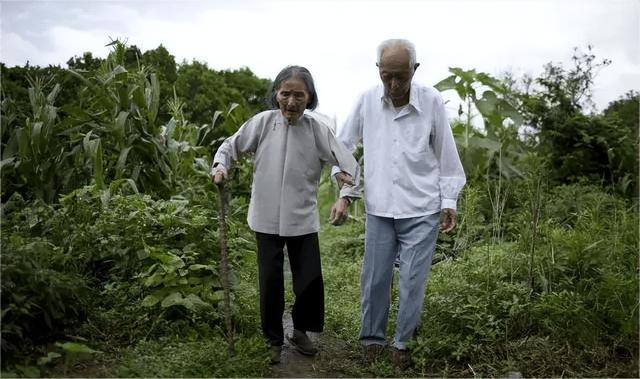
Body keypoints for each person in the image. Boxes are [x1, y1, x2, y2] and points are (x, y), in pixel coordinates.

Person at [330, 39, 466, 369]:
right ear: (378, 70)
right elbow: (344, 147)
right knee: (374, 278)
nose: (393, 84)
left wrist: (449, 200)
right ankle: (372, 340)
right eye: (386, 75)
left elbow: (446, 153)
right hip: (379, 207)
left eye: (401, 77)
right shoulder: (366, 101)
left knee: (412, 279)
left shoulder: (431, 100)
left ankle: (403, 343)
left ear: (414, 70)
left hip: (422, 207)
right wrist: (345, 187)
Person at [212, 65, 360, 364]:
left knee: (309, 279)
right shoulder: (263, 123)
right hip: (265, 217)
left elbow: (348, 165)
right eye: (285, 94)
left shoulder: (318, 129)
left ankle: (300, 330)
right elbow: (231, 146)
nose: (291, 102)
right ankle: (273, 338)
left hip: (301, 216)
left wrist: (344, 194)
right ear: (276, 94)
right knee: (270, 279)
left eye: (299, 95)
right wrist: (221, 166)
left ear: (310, 97)